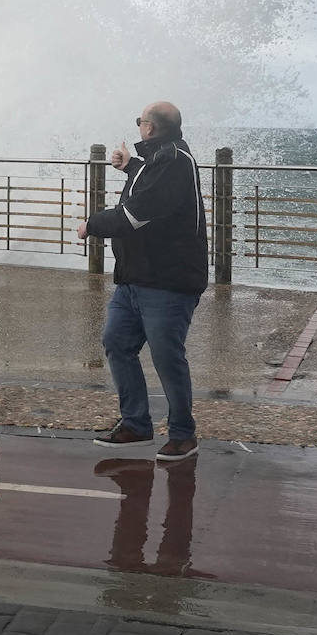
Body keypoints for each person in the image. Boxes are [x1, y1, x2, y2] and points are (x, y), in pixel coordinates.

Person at [78, 101, 207, 461]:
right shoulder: (162, 158)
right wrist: (130, 165)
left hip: (169, 281)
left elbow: (136, 214)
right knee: (116, 341)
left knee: (167, 357)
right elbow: (151, 183)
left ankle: (183, 434)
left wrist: (91, 224)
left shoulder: (176, 161)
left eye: (140, 122)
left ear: (149, 128)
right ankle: (136, 424)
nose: (139, 128)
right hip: (136, 278)